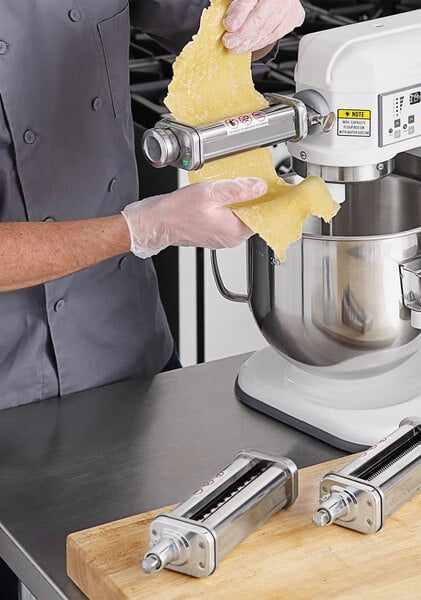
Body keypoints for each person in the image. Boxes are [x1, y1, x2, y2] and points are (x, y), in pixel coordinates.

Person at [0, 0, 304, 596]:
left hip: (124, 352)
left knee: (167, 574)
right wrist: (141, 230)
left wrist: (257, 21)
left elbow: (200, 16)